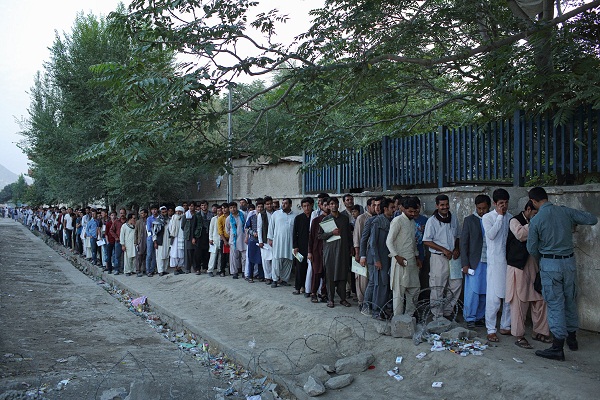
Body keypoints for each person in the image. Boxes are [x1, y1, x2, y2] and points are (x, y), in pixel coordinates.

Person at [527, 187, 598, 361]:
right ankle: (572, 339)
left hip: (550, 264)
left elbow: (531, 248)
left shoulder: (536, 220)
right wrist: (571, 224)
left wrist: (543, 257)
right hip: (569, 263)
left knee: (555, 304)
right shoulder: (564, 211)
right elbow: (591, 219)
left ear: (534, 202)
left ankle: (557, 347)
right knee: (570, 300)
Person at [506, 200, 551, 349]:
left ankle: (540, 331)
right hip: (519, 267)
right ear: (528, 209)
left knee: (540, 299)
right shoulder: (514, 221)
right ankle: (519, 336)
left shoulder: (537, 222)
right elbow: (520, 234)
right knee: (519, 302)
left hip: (536, 265)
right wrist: (536, 223)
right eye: (535, 213)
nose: (537, 216)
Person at [423, 194, 461, 320]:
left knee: (456, 284)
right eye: (442, 205)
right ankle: (437, 316)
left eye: (446, 204)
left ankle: (447, 312)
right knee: (437, 287)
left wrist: (456, 248)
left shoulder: (453, 218)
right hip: (438, 258)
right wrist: (443, 250)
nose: (445, 207)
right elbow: (426, 241)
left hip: (453, 258)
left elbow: (457, 236)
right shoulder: (432, 221)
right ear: (437, 206)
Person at [482, 188, 512, 342]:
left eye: (506, 203)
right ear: (494, 203)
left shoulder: (511, 218)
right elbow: (491, 235)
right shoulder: (488, 218)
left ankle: (506, 325)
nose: (504, 206)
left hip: (509, 263)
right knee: (493, 299)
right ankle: (491, 329)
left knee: (508, 297)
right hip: (494, 263)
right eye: (501, 203)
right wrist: (500, 217)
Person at [460, 194, 490, 329]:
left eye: (484, 208)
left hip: (489, 261)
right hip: (474, 262)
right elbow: (463, 244)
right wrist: (465, 264)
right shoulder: (469, 220)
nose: (482, 211)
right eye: (479, 208)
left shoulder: (492, 219)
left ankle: (480, 317)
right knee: (472, 292)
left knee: (485, 291)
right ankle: (470, 317)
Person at [387, 197, 421, 317]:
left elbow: (412, 242)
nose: (412, 214)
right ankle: (398, 320)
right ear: (404, 209)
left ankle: (408, 317)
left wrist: (417, 257)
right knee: (399, 294)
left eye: (414, 211)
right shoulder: (398, 221)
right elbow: (389, 242)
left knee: (415, 289)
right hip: (399, 262)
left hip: (411, 262)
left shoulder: (412, 222)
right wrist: (397, 257)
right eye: (410, 211)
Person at [318, 197, 353, 308]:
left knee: (343, 274)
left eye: (335, 203)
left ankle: (343, 299)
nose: (333, 206)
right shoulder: (325, 220)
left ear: (338, 205)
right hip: (330, 252)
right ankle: (331, 299)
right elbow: (320, 236)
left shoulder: (344, 218)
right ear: (328, 206)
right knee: (330, 276)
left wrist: (351, 247)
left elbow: (348, 235)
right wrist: (331, 233)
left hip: (342, 251)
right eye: (331, 204)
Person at [369, 197, 395, 318]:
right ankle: (376, 311)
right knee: (380, 285)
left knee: (387, 285)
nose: (394, 210)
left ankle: (384, 309)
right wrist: (377, 260)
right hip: (380, 258)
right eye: (392, 208)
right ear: (385, 209)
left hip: (389, 258)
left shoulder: (392, 221)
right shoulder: (377, 221)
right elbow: (373, 243)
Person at [268, 198, 295, 287]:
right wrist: (270, 239)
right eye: (282, 203)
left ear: (290, 205)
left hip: (290, 242)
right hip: (278, 241)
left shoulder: (295, 215)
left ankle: (284, 279)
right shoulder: (276, 214)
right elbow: (271, 227)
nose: (283, 205)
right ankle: (275, 280)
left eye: (286, 203)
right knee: (277, 260)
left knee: (288, 260)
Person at [308, 197, 331, 303]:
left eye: (329, 205)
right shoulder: (316, 220)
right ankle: (313, 293)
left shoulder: (333, 219)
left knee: (327, 274)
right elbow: (311, 237)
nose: (327, 207)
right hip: (317, 250)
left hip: (329, 250)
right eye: (325, 205)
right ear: (321, 206)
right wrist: (310, 252)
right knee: (316, 272)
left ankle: (324, 293)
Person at [353, 198, 374, 312]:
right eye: (374, 205)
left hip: (373, 254)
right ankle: (361, 301)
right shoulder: (361, 218)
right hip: (362, 253)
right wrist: (358, 253)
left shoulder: (377, 218)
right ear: (368, 206)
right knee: (362, 279)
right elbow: (357, 237)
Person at [292, 197, 313, 295]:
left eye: (308, 205)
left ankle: (309, 287)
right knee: (300, 267)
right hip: (301, 246)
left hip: (312, 246)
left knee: (311, 269)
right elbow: (294, 233)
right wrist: (295, 246)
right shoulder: (298, 218)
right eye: (304, 206)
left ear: (312, 205)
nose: (306, 208)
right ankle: (299, 287)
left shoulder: (315, 216)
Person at [245, 199, 264, 283]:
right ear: (256, 208)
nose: (260, 209)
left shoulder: (265, 218)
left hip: (262, 241)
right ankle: (250, 276)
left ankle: (261, 276)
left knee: (261, 259)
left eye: (261, 207)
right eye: (258, 207)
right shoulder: (252, 218)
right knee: (251, 259)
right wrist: (253, 233)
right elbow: (246, 228)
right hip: (253, 240)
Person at [225, 202, 246, 279]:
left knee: (244, 256)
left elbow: (246, 225)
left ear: (236, 207)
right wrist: (233, 234)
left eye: (234, 207)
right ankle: (234, 272)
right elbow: (227, 230)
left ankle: (244, 271)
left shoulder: (243, 215)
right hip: (233, 240)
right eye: (231, 208)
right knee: (234, 257)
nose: (233, 209)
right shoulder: (228, 219)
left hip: (243, 239)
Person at [257, 196, 275, 284]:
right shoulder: (261, 214)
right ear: (265, 205)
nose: (269, 206)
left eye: (271, 204)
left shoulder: (276, 213)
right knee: (266, 259)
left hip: (275, 240)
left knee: (274, 259)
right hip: (265, 240)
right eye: (267, 204)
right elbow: (259, 228)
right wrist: (260, 241)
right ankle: (267, 277)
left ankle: (274, 276)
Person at [194, 200, 212, 274]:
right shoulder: (197, 215)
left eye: (205, 205)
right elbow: (194, 226)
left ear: (207, 206)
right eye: (202, 205)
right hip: (199, 235)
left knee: (207, 252)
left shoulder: (211, 214)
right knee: (198, 253)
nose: (203, 207)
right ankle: (197, 268)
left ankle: (205, 267)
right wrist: (193, 237)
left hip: (208, 234)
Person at [153, 206, 171, 276]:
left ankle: (164, 269)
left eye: (165, 212)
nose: (164, 213)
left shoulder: (169, 219)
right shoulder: (157, 220)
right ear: (160, 212)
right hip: (160, 240)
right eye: (162, 212)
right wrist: (155, 242)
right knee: (160, 256)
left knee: (166, 255)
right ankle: (160, 270)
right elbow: (154, 232)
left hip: (167, 240)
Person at [169, 206, 186, 275]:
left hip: (182, 238)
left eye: (180, 211)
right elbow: (170, 229)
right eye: (177, 211)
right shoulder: (173, 219)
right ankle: (175, 268)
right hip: (175, 239)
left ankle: (179, 268)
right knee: (174, 254)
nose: (178, 213)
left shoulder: (184, 219)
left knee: (182, 254)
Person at [207, 204, 222, 277]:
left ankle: (219, 270)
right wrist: (210, 239)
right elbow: (211, 229)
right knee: (213, 256)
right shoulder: (214, 219)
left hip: (222, 240)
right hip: (214, 239)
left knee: (220, 256)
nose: (220, 212)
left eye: (221, 210)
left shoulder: (224, 218)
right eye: (218, 211)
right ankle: (210, 270)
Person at [182, 202, 197, 274]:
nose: (191, 207)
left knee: (195, 252)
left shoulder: (197, 215)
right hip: (188, 236)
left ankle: (195, 267)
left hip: (196, 236)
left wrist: (194, 236)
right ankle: (187, 268)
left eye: (192, 206)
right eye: (189, 206)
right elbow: (182, 226)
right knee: (188, 252)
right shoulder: (185, 215)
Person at [217, 202, 230, 277]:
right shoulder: (220, 218)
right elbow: (220, 230)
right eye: (222, 208)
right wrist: (224, 240)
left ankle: (232, 270)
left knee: (232, 256)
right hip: (224, 239)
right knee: (223, 256)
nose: (224, 210)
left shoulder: (232, 216)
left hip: (232, 238)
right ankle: (222, 270)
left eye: (225, 208)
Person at [134, 209, 148, 277]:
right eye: (141, 213)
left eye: (143, 213)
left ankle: (144, 269)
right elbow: (136, 232)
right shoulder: (138, 222)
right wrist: (136, 242)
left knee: (146, 255)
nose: (142, 214)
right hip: (140, 241)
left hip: (147, 240)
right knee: (139, 256)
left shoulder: (148, 221)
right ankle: (138, 270)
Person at [145, 206, 158, 277]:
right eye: (153, 209)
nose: (154, 211)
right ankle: (148, 270)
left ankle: (152, 269)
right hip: (150, 238)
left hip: (158, 237)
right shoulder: (149, 219)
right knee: (149, 254)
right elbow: (149, 229)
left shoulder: (159, 218)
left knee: (155, 255)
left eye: (155, 209)